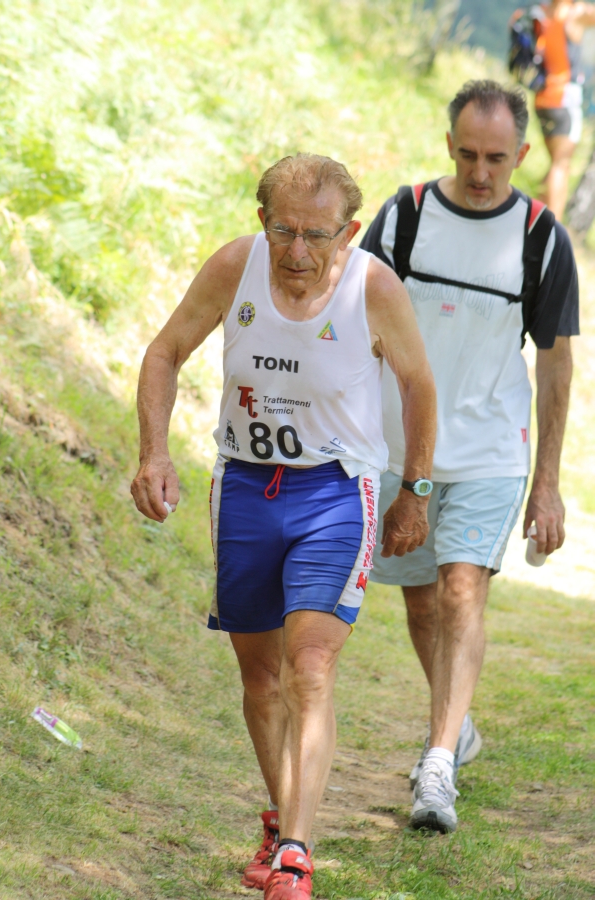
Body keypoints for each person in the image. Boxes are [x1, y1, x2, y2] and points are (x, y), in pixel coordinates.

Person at [131, 153, 437, 899]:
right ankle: (278, 820)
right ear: (261, 220)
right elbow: (165, 353)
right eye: (283, 231)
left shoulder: (371, 287)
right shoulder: (236, 267)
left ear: (350, 231)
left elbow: (419, 383)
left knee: (310, 666)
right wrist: (154, 453)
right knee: (260, 677)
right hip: (242, 489)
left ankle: (297, 853)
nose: (298, 252)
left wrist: (415, 491)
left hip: (335, 494)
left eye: (317, 235)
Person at [360, 80, 578, 834]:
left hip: (491, 447)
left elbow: (555, 366)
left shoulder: (542, 238)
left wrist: (546, 483)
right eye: (467, 154)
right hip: (398, 442)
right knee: (420, 600)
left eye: (496, 158)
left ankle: (439, 763)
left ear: (523, 152)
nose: (481, 172)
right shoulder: (407, 215)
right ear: (449, 145)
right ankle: (457, 724)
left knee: (460, 591)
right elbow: (354, 319)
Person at [531, 1, 595, 219]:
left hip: (542, 98)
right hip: (564, 99)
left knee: (554, 164)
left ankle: (537, 219)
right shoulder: (573, 14)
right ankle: (553, 225)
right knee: (561, 166)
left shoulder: (545, 11)